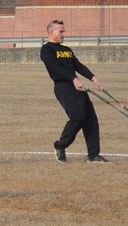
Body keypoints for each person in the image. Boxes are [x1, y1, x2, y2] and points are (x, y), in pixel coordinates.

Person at [39, 19, 109, 164]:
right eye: (61, 31)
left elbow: (78, 66)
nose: (63, 34)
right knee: (77, 117)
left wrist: (93, 78)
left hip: (77, 86)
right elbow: (55, 68)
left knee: (90, 119)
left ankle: (93, 155)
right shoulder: (47, 49)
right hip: (63, 86)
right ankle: (60, 146)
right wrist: (73, 79)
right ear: (51, 32)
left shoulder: (67, 50)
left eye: (64, 31)